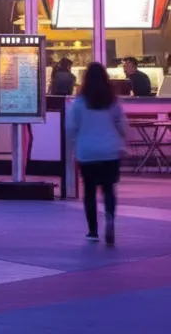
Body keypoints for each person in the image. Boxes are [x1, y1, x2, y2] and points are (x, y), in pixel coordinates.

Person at [66, 62, 128, 244]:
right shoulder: (113, 101)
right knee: (109, 189)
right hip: (110, 150)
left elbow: (71, 128)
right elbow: (122, 124)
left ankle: (92, 231)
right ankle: (110, 219)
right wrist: (124, 141)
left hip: (87, 151)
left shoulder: (79, 103)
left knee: (90, 191)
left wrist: (73, 148)